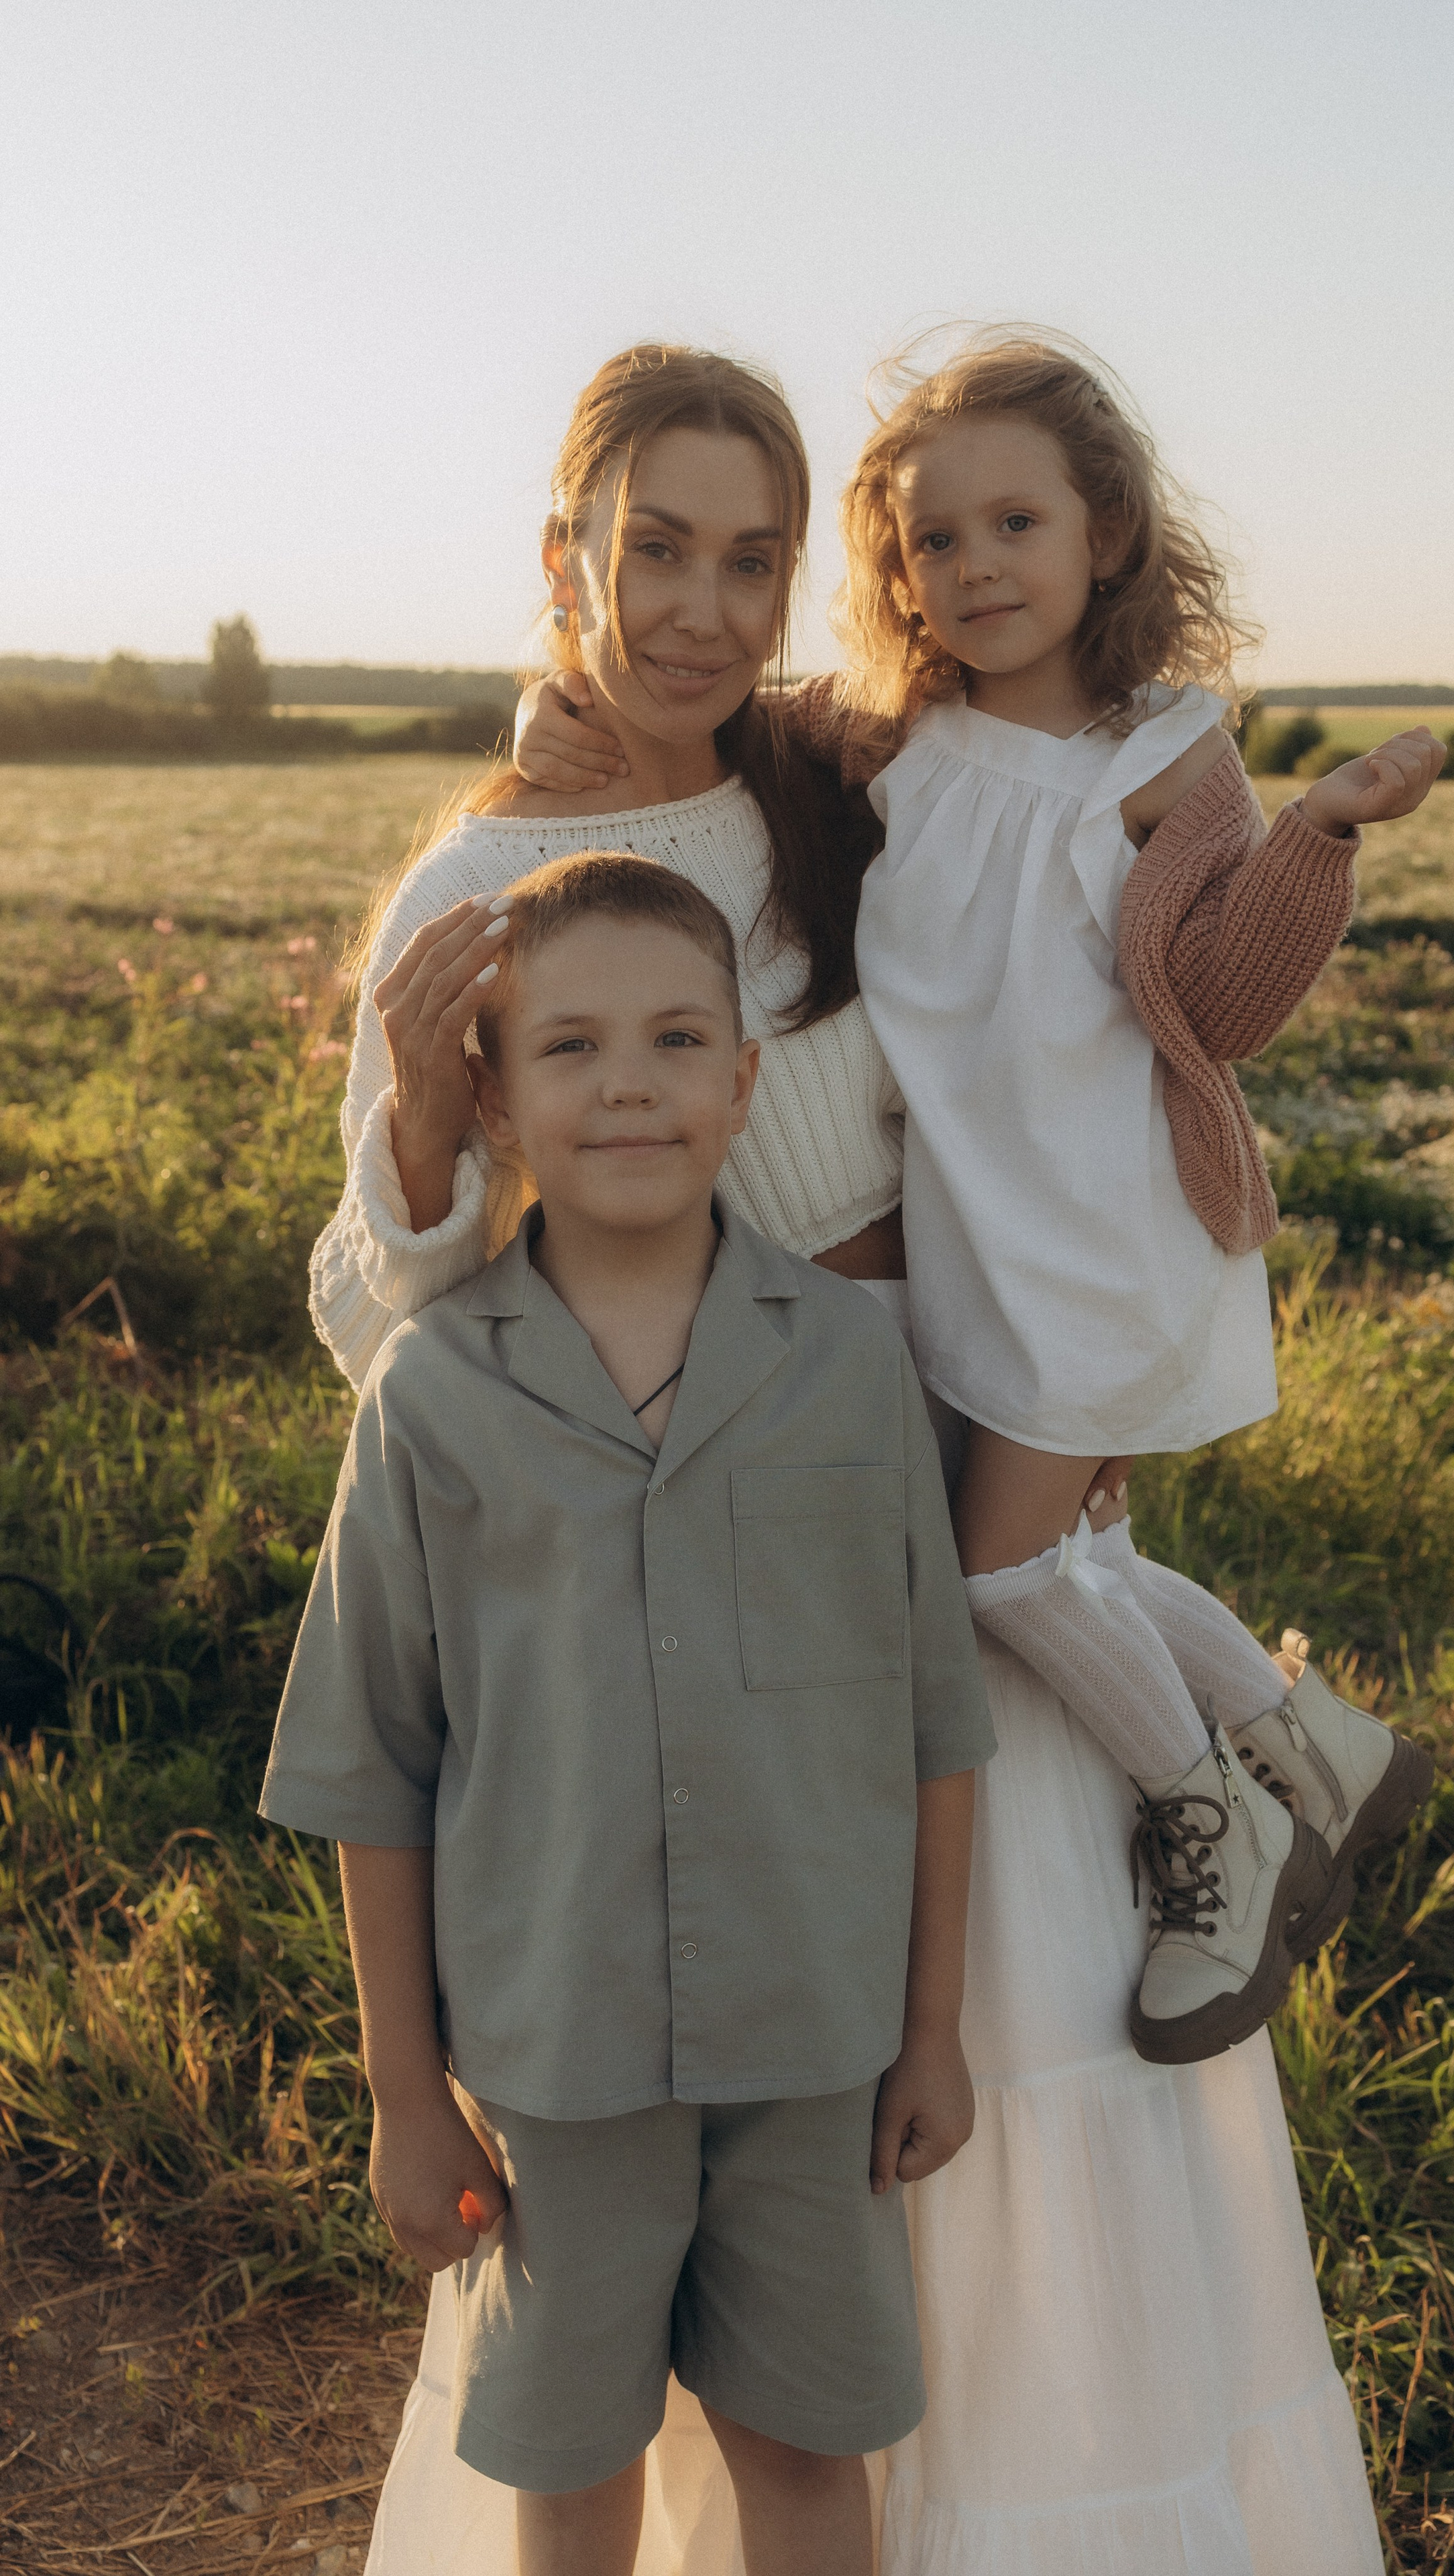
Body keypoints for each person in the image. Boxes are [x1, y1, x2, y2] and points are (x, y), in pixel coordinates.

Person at [331, 338, 1388, 2571]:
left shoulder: (839, 780)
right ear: (566, 560)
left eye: (754, 560)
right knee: (746, 2087)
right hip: (693, 1515)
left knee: (1005, 2016)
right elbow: (388, 1313)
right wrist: (427, 1136)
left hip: (950, 1415)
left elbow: (1055, 1035)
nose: (707, 608)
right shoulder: (470, 893)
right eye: (659, 554)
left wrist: (1065, 1385)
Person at [521, 333, 1443, 2070]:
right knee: (1049, 1559)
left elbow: (1229, 997)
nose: (977, 568)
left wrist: (1317, 836)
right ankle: (1310, 1733)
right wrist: (547, 706)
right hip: (977, 1240)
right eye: (936, 542)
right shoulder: (899, 742)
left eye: (1017, 523)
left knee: (993, 1584)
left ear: (1107, 534)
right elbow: (696, 717)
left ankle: (1218, 1814)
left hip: (1100, 1236)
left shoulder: (1164, 760)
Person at [266, 857, 995, 2576]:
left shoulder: (847, 1362)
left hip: (814, 2041)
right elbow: (374, 1763)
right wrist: (402, 2092)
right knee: (570, 2462)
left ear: (743, 1086)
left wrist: (933, 2025)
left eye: (676, 1039)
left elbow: (931, 1719)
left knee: (807, 2447)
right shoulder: (434, 1402)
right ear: (497, 1097)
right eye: (571, 1047)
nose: (626, 1085)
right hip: (557, 2059)